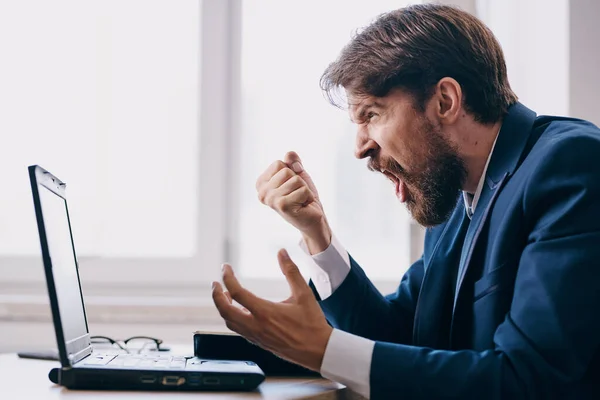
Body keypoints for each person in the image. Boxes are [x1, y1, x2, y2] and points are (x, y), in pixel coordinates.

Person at [211, 4, 600, 399]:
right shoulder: (457, 193)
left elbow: (530, 380)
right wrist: (317, 234)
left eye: (372, 114)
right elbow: (399, 336)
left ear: (445, 101)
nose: (360, 148)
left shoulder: (571, 166)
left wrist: (321, 348)